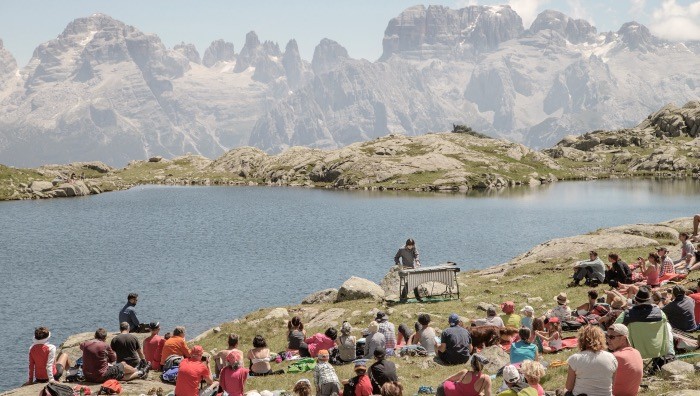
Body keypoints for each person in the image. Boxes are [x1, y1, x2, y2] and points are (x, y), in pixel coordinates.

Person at [615, 286, 674, 359]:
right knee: (667, 326)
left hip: (635, 353)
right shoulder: (660, 313)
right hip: (657, 350)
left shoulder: (627, 315)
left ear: (636, 301)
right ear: (650, 301)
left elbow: (614, 328)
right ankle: (670, 354)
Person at [565, 325, 617, 396]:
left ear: (581, 340)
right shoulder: (611, 357)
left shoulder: (575, 358)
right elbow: (612, 384)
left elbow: (569, 387)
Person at [80, 328, 145, 383]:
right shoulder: (105, 345)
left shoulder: (85, 344)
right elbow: (114, 358)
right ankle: (137, 371)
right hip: (101, 376)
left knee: (118, 374)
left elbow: (81, 346)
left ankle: (138, 373)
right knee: (122, 364)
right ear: (105, 338)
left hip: (87, 376)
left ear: (95, 335)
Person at [606, 324, 643, 396]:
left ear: (623, 338)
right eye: (607, 337)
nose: (608, 340)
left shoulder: (615, 357)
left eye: (612, 337)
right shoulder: (636, 352)